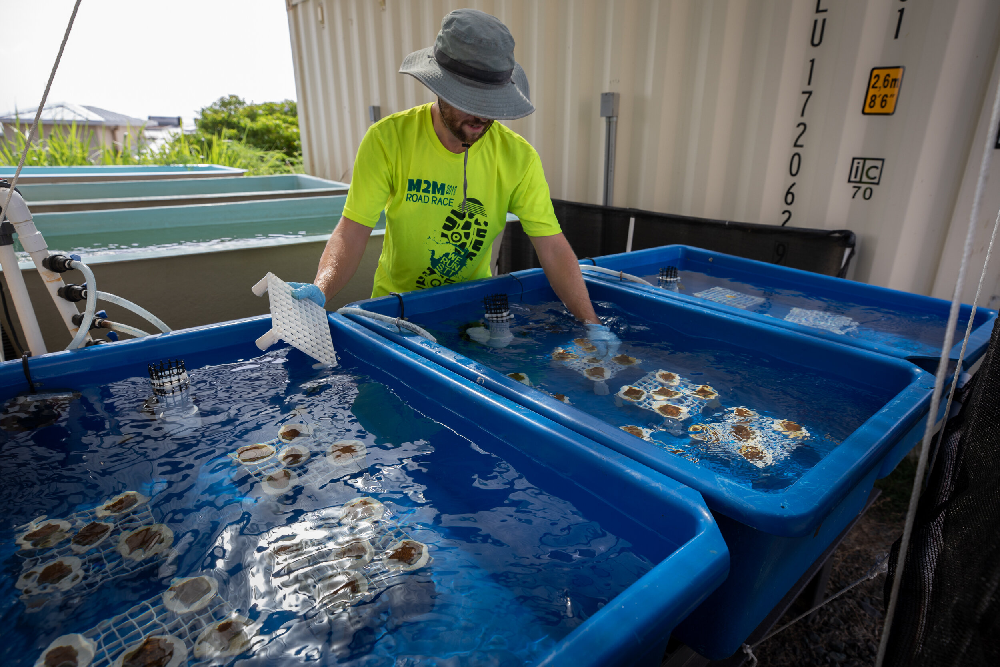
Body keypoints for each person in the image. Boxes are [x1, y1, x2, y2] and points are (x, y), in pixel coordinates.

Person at [290, 8, 619, 357]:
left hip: (471, 310)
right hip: (396, 306)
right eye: (468, 101)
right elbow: (353, 230)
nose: (480, 116)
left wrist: (591, 323)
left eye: (490, 103)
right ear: (438, 87)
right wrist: (321, 290)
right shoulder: (388, 140)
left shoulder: (518, 158)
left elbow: (551, 246)